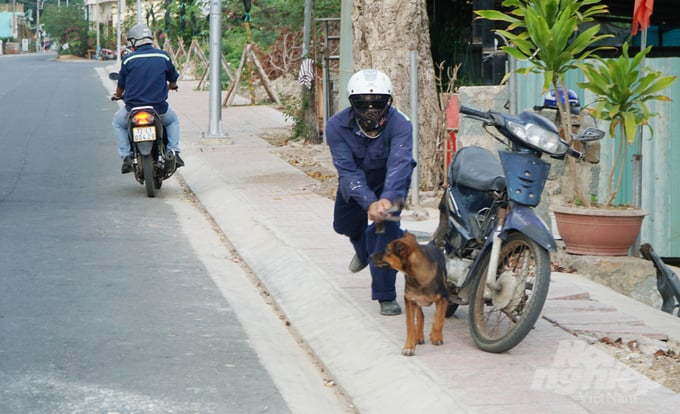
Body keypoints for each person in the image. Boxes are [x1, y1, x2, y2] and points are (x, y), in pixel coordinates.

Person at [325, 69, 416, 316]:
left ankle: (386, 296)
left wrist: (386, 200)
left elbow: (400, 163)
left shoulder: (401, 124)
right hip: (355, 184)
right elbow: (347, 169)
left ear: (388, 102)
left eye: (377, 103)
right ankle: (363, 249)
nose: (370, 109)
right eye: (362, 103)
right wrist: (368, 203)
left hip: (391, 183)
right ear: (351, 102)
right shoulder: (336, 126)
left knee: (385, 233)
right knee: (343, 225)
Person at [112, 23, 184, 174]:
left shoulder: (128, 59)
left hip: (133, 109)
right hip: (158, 109)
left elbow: (121, 84)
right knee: (172, 121)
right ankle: (174, 152)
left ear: (134, 41)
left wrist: (118, 95)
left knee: (118, 123)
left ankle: (126, 156)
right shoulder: (162, 55)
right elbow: (173, 77)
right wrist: (172, 84)